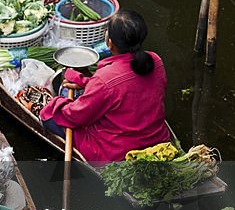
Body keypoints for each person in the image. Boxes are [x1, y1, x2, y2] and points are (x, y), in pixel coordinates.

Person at [39, 10, 171, 163]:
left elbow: (75, 117)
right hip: (156, 138)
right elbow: (123, 88)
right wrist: (85, 81)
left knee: (48, 116)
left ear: (109, 42)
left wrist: (58, 103)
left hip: (115, 152)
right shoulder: (156, 61)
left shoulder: (105, 79)